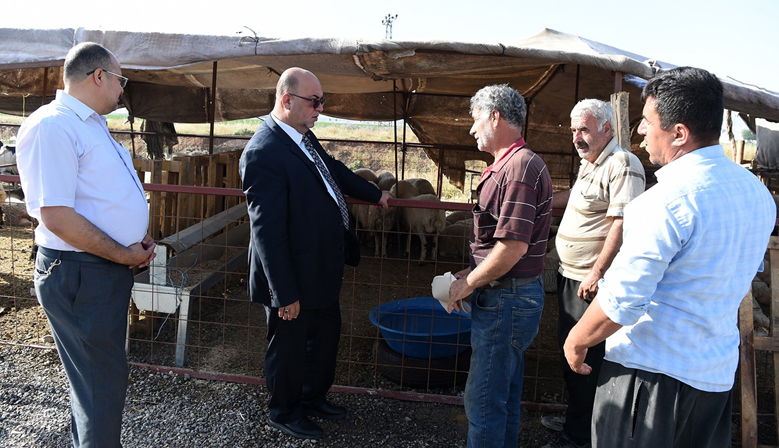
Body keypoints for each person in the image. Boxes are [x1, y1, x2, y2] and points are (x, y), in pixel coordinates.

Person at [564, 67, 776, 448]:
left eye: (647, 122)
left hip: (649, 378)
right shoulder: (757, 195)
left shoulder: (665, 201)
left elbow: (622, 300)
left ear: (679, 133)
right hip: (713, 377)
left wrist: (577, 339)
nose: (641, 131)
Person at [15, 42, 156, 447]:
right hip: (81, 271)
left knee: (99, 380)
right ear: (98, 76)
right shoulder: (53, 126)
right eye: (120, 80)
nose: (121, 89)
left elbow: (96, 198)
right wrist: (124, 252)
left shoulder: (87, 123)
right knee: (100, 383)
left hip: (96, 267)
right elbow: (56, 217)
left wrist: (133, 236)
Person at [239, 67, 391, 441]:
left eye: (321, 101)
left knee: (324, 337)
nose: (320, 108)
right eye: (314, 101)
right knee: (289, 347)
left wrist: (376, 194)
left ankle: (312, 397)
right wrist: (284, 293)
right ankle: (284, 410)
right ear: (286, 100)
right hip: (291, 274)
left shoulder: (303, 138)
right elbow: (267, 233)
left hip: (319, 267)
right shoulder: (264, 151)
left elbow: (334, 171)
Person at [447, 84, 553, 448]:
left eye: (476, 120)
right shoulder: (509, 165)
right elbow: (500, 242)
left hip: (506, 299)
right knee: (500, 393)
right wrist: (471, 271)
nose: (472, 129)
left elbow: (512, 247)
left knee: (483, 399)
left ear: (495, 116)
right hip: (508, 296)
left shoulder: (520, 168)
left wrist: (469, 284)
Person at [542, 99, 645, 448]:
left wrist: (597, 272)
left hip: (591, 281)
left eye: (583, 129)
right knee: (569, 350)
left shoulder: (622, 164)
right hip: (570, 274)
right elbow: (574, 197)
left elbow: (621, 223)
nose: (576, 137)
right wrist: (540, 201)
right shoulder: (590, 164)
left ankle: (582, 436)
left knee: (587, 356)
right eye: (573, 130)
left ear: (607, 128)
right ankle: (576, 419)